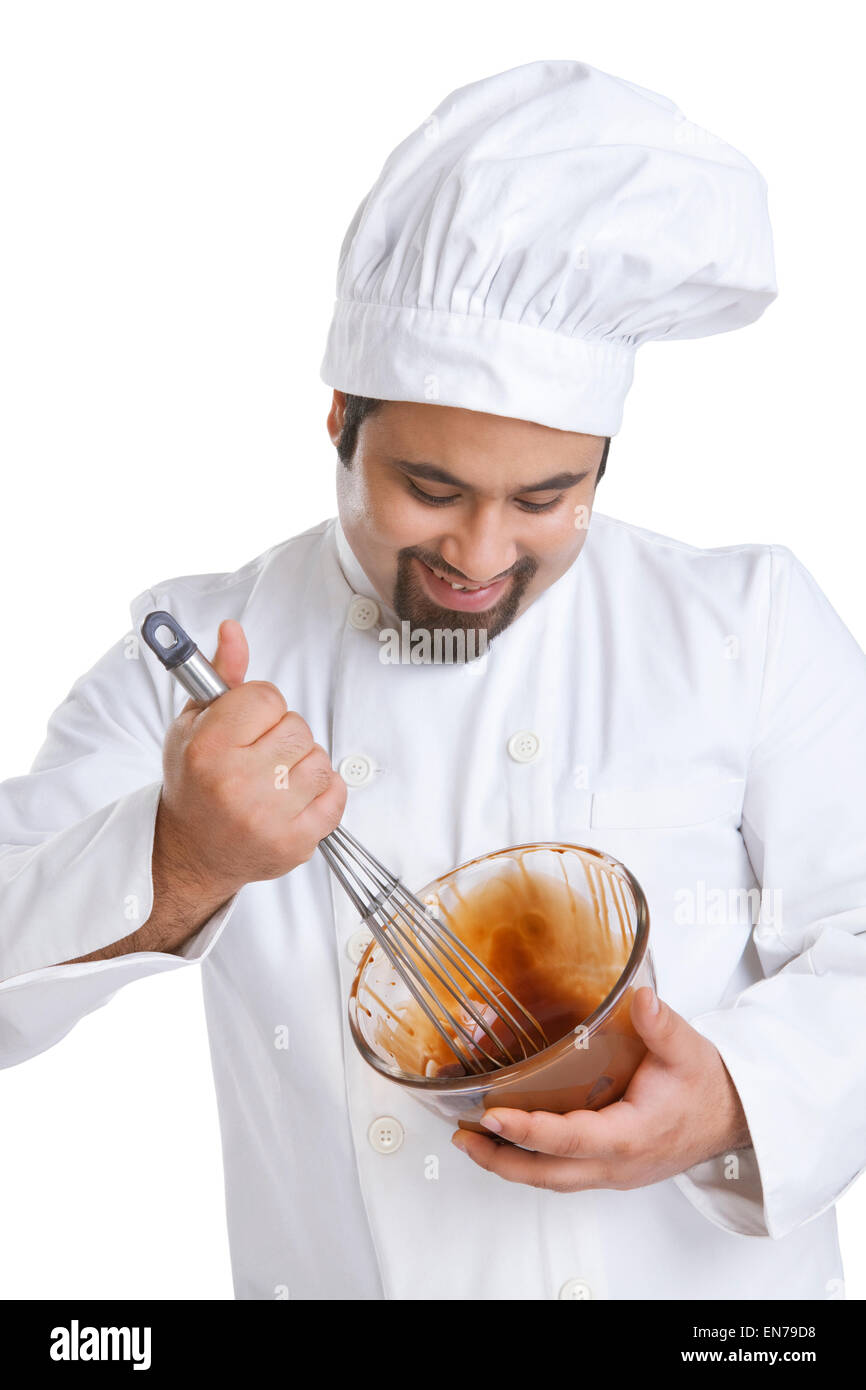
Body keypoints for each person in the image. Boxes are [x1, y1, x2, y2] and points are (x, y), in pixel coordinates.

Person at [1, 59, 864, 1301]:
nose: (478, 555)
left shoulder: (748, 624)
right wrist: (183, 857)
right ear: (341, 414)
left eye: (545, 498)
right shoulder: (193, 657)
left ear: (602, 462)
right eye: (431, 489)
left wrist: (727, 1100)